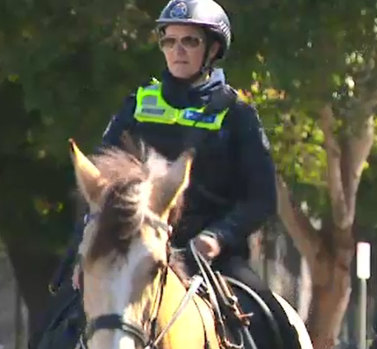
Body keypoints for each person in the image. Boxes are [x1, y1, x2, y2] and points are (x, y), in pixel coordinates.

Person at [35, 0, 299, 348]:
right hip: (132, 246)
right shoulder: (135, 106)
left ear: (212, 49)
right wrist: (87, 249)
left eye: (189, 41)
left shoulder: (238, 116)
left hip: (211, 255)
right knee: (50, 326)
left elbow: (261, 197)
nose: (178, 51)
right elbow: (100, 188)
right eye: (169, 41)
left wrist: (217, 237)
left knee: (274, 321)